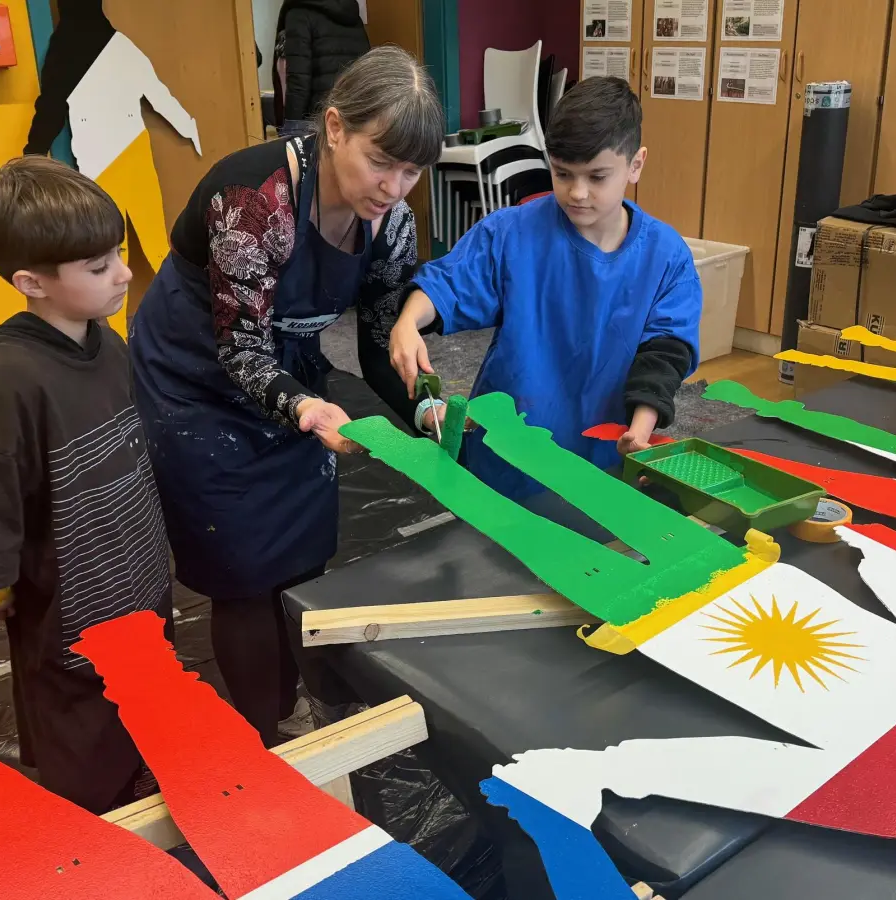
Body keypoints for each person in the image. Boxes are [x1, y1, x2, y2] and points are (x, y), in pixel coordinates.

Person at [129, 46, 440, 747]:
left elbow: (378, 343)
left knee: (301, 551)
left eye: (412, 171)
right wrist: (305, 408)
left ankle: (298, 701)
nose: (394, 188)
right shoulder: (255, 199)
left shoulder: (391, 221)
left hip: (288, 364)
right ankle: (262, 731)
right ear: (334, 127)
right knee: (242, 569)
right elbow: (240, 348)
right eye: (380, 161)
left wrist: (425, 411)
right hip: (195, 376)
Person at [0, 156, 173, 815]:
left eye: (117, 254)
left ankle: (140, 783)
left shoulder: (106, 342)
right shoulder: (13, 380)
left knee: (143, 705)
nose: (124, 273)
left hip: (135, 579)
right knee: (86, 748)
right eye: (98, 267)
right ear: (31, 283)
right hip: (74, 609)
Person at [389, 77, 702, 499]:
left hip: (604, 461)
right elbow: (449, 284)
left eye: (597, 176)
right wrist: (409, 321)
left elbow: (664, 354)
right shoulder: (512, 233)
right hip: (506, 460)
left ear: (636, 164)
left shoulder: (666, 256)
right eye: (562, 173)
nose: (577, 193)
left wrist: (639, 432)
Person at [273, 0, 371, 131]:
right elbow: (367, 67)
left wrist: (292, 127)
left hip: (319, 120)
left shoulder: (299, 14)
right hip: (355, 114)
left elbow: (298, 80)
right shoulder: (352, 14)